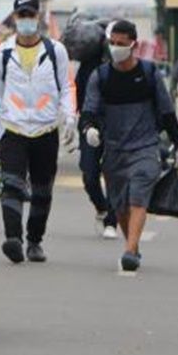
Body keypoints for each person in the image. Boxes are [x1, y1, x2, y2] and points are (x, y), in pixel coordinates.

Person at [81, 20, 178, 272]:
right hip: (113, 149)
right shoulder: (101, 76)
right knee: (120, 205)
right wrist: (89, 129)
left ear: (133, 45)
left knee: (138, 194)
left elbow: (166, 111)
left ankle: (129, 251)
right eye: (112, 43)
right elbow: (89, 110)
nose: (116, 47)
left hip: (145, 147)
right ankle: (133, 245)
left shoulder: (149, 74)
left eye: (121, 43)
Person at [0, 0, 75, 265]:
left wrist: (69, 117)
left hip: (45, 128)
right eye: (21, 15)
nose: (26, 20)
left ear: (38, 17)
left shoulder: (55, 51)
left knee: (42, 190)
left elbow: (66, 86)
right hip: (12, 128)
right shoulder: (2, 53)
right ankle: (13, 239)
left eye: (30, 15)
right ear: (15, 18)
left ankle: (35, 241)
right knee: (11, 185)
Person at [74, 24, 117, 240]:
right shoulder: (87, 67)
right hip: (89, 124)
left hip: (115, 125)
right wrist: (80, 122)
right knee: (89, 175)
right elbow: (79, 96)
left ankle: (112, 221)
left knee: (113, 174)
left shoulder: (121, 66)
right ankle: (102, 207)